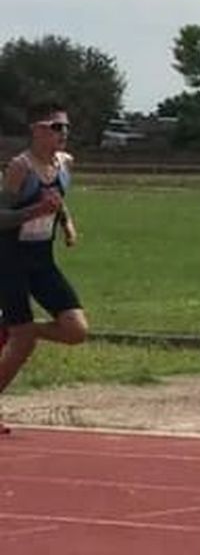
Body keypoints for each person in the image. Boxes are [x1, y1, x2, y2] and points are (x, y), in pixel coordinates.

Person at [0, 101, 88, 433]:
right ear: (36, 130)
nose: (63, 133)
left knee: (76, 331)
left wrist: (67, 224)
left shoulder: (65, 163)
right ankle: (17, 331)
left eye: (65, 127)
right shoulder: (19, 167)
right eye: (55, 127)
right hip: (11, 260)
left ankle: (15, 328)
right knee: (22, 345)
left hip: (42, 258)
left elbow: (57, 196)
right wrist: (33, 213)